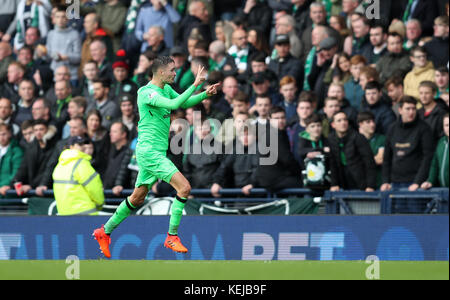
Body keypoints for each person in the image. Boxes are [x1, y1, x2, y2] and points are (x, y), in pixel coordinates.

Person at [93, 56, 220, 257]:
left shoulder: (165, 89)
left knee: (137, 198)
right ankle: (172, 236)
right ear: (161, 72)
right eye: (172, 70)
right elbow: (173, 104)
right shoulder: (146, 93)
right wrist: (195, 84)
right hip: (149, 152)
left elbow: (183, 102)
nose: (175, 74)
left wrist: (204, 94)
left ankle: (104, 231)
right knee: (184, 187)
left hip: (155, 151)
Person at [381, 96, 434, 194]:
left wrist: (418, 182)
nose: (411, 112)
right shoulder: (392, 128)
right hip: (394, 183)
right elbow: (387, 158)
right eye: (408, 109)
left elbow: (428, 157)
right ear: (400, 110)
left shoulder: (424, 129)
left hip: (414, 184)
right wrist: (385, 181)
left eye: (413, 109)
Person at [52, 135, 104, 215]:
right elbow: (94, 188)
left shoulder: (60, 165)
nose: (83, 147)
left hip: (64, 214)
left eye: (84, 144)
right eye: (80, 144)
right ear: (71, 146)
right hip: (86, 214)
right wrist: (100, 204)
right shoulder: (81, 164)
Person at [328, 111, 377, 192]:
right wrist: (334, 184)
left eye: (345, 120)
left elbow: (369, 162)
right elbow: (332, 164)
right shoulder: (330, 139)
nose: (343, 123)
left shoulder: (358, 138)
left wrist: (370, 185)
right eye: (339, 120)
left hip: (360, 183)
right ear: (333, 125)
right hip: (342, 183)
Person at [358, 111, 386, 189]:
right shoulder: (354, 139)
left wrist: (361, 162)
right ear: (360, 124)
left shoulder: (381, 139)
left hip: (379, 183)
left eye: (373, 121)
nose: (372, 124)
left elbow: (380, 159)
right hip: (360, 184)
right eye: (368, 122)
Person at [421, 113, 449, 189]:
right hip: (443, 191)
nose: (448, 128)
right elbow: (434, 164)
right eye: (446, 125)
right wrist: (430, 181)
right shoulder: (441, 142)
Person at [417, 81, 447, 146]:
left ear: (434, 94)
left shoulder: (442, 113)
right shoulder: (418, 112)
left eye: (427, 93)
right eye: (421, 93)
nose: (423, 96)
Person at [0, 123, 24, 196]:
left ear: (10, 134)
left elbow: (15, 174)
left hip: (8, 194)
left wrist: (3, 186)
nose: (1, 137)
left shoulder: (17, 151)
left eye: (3, 134)